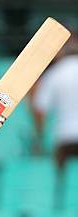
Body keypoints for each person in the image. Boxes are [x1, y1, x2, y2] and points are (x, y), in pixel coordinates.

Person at [32, 35, 78, 168]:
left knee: (61, 182)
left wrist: (40, 140)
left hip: (64, 136)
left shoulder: (55, 72)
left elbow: (40, 109)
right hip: (65, 135)